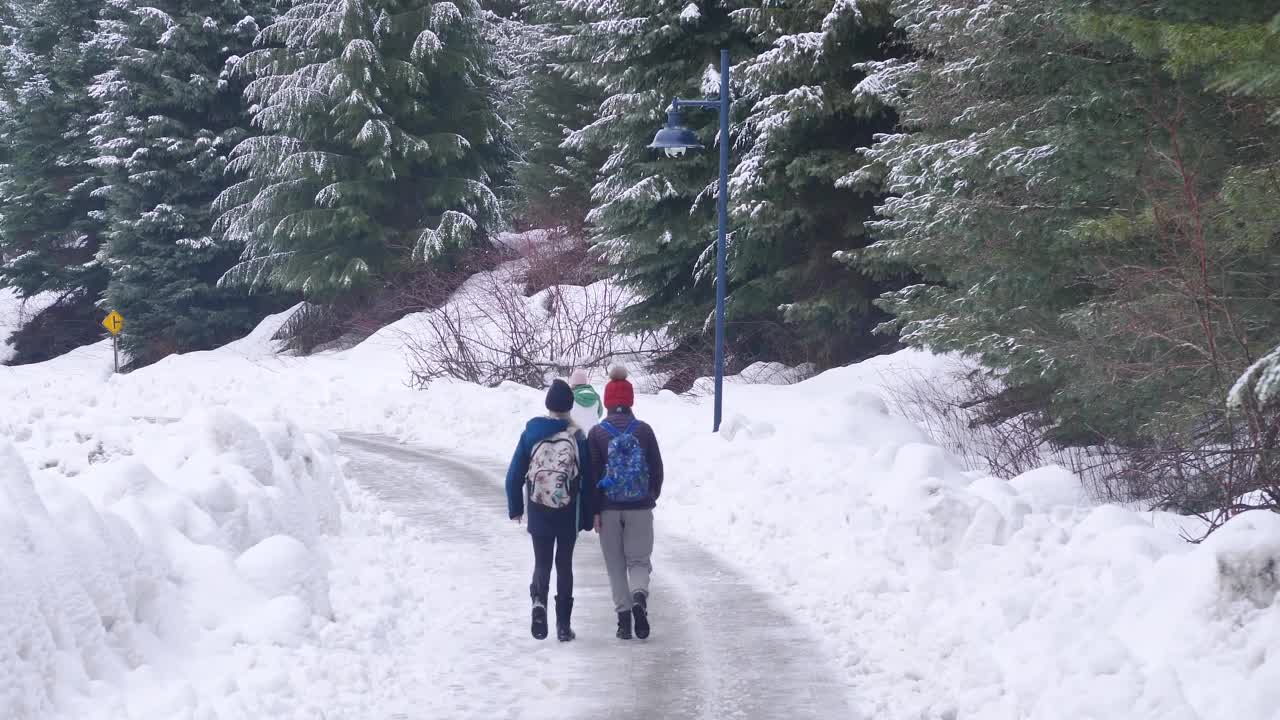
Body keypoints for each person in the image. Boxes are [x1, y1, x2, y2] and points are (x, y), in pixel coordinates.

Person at [506, 379, 594, 641]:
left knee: (542, 562)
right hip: (568, 510)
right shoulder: (577, 437)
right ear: (569, 407)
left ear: (548, 405)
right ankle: (564, 626)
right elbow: (588, 479)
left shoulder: (531, 434)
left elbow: (513, 475)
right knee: (564, 564)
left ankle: (538, 604)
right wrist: (587, 517)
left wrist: (516, 508)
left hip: (538, 506)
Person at [589, 366, 664, 640]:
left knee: (615, 565)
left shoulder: (597, 433)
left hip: (608, 509)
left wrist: (594, 510)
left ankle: (623, 622)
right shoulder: (644, 431)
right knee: (639, 561)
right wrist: (650, 496)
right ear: (630, 401)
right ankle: (639, 599)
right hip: (640, 508)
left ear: (607, 402)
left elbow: (592, 474)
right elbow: (657, 469)